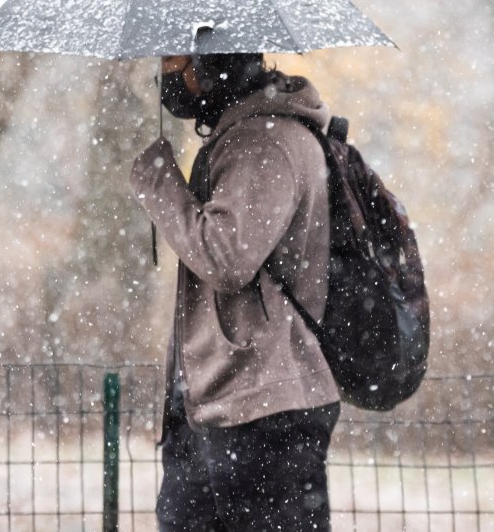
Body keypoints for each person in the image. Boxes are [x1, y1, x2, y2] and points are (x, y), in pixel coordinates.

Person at [129, 51, 341, 531]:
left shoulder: (263, 144)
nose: (164, 72)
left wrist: (159, 183)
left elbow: (227, 259)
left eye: (175, 58)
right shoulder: (248, 136)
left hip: (257, 410)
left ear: (213, 64)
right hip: (235, 403)